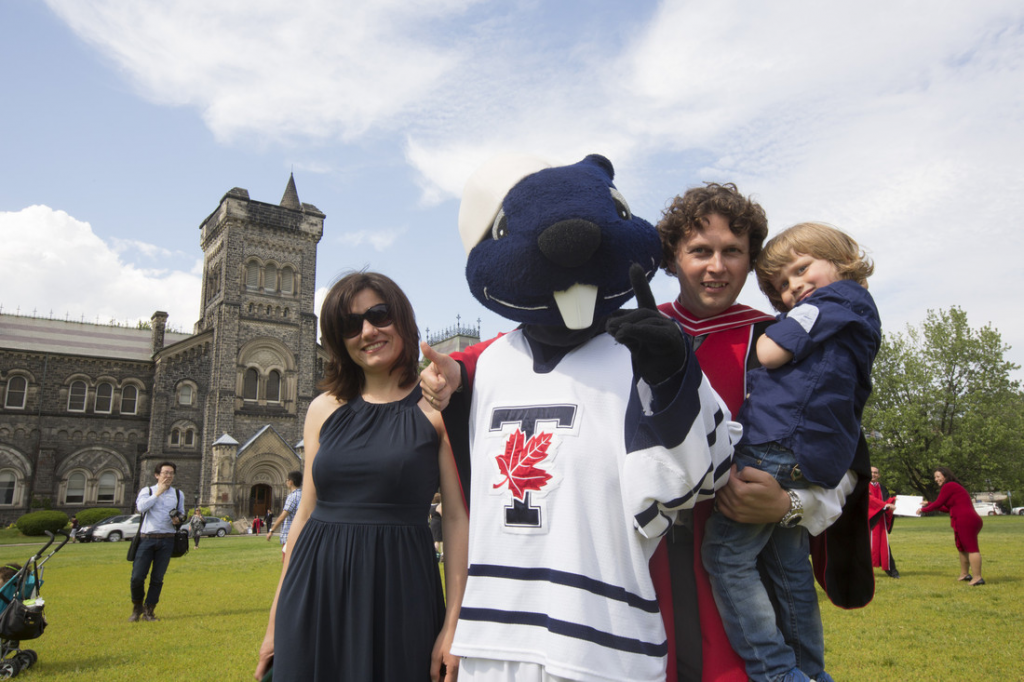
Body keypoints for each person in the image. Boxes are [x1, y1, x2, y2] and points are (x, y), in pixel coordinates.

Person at [254, 272, 468, 682]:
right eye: (351, 325)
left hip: (400, 588)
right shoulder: (322, 408)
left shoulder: (438, 407)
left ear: (402, 318)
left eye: (379, 315)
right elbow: (305, 515)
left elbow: (457, 519)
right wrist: (276, 616)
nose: (368, 331)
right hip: (315, 588)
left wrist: (454, 623)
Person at [701, 222, 880, 682]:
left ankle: (779, 673)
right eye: (781, 284)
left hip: (776, 443)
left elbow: (772, 351)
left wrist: (765, 339)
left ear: (843, 264)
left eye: (802, 270)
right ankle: (810, 673)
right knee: (787, 567)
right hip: (803, 450)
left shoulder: (831, 303)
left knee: (726, 558)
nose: (793, 287)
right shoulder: (851, 315)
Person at [130, 461, 185, 622]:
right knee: (137, 577)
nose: (168, 476)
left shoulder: (177, 494)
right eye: (165, 473)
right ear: (157, 475)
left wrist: (179, 520)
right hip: (146, 539)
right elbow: (140, 508)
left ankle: (149, 611)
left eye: (171, 473)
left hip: (167, 539)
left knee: (157, 578)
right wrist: (157, 494)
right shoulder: (147, 491)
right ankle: (137, 606)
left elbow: (181, 513)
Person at [918, 467, 984, 585]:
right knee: (962, 547)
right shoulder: (950, 487)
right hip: (961, 520)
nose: (936, 479)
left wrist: (924, 509)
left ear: (945, 475)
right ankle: (965, 574)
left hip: (967, 520)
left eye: (938, 476)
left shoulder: (949, 485)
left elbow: (939, 503)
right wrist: (929, 503)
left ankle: (977, 577)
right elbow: (945, 508)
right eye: (935, 477)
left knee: (972, 548)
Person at [868, 467, 899, 578]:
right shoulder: (863, 486)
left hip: (880, 522)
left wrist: (894, 501)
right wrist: (884, 505)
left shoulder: (882, 488)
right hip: (868, 522)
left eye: (876, 473)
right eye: (871, 472)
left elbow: (887, 501)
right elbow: (869, 500)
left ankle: (892, 571)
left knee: (884, 546)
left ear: (879, 475)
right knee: (865, 548)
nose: (873, 474)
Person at [266, 470, 303, 556]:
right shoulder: (303, 495)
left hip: (290, 535)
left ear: (291, 482)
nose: (286, 482)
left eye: (287, 480)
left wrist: (271, 530)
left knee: (287, 562)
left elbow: (283, 516)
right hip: (299, 533)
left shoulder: (293, 496)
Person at [429, 492, 443, 561]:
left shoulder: (431, 506)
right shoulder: (439, 506)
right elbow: (441, 514)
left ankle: (435, 553)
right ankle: (441, 555)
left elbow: (430, 516)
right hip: (439, 523)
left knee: (435, 539)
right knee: (440, 540)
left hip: (433, 522)